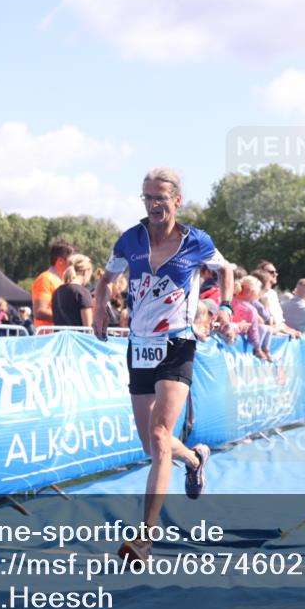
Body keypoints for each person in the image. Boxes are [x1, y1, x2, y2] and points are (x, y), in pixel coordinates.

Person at [93, 167, 234, 563]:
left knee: (159, 434)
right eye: (147, 197)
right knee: (151, 445)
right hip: (140, 346)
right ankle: (193, 458)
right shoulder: (129, 240)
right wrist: (99, 307)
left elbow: (226, 270)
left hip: (178, 342)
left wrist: (223, 307)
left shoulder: (196, 242)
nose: (154, 204)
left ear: (176, 200)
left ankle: (144, 538)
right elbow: (106, 280)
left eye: (160, 197)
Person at [32, 239, 77, 332]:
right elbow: (40, 311)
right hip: (48, 339)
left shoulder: (63, 280)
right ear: (60, 260)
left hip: (60, 337)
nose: (74, 264)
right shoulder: (45, 279)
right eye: (71, 261)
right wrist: (68, 318)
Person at [51, 254, 94, 328]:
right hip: (77, 339)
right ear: (85, 272)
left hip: (61, 338)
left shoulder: (57, 292)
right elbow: (88, 328)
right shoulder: (83, 292)